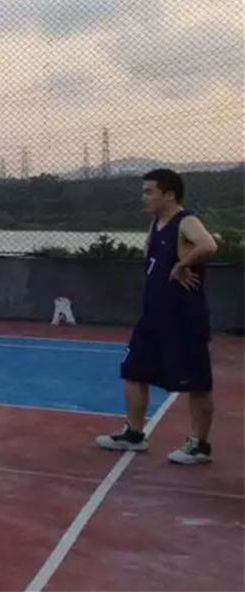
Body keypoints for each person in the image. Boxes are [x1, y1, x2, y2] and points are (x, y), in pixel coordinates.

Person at [96, 168, 218, 465]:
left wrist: (182, 264)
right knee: (133, 370)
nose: (144, 197)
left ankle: (199, 445)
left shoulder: (186, 221)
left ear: (169, 194)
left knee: (197, 383)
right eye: (144, 191)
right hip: (153, 316)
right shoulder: (156, 224)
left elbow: (209, 245)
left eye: (149, 191)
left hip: (183, 319)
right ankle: (135, 435)